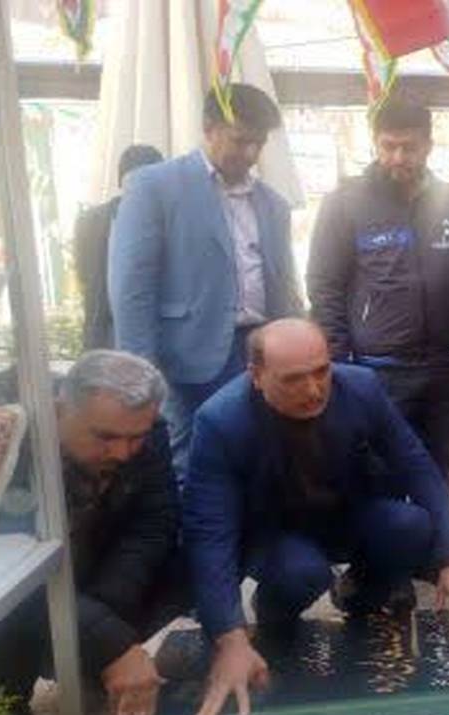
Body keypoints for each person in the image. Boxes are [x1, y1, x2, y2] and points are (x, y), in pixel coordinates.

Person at [184, 319, 449, 715]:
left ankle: (360, 596)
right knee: (301, 573)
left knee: (409, 525)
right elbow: (210, 534)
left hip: (346, 514)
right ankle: (274, 614)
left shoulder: (361, 387)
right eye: (293, 379)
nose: (313, 390)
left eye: (321, 371)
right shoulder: (220, 421)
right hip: (276, 533)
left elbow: (417, 467)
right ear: (256, 376)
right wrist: (229, 636)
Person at [0, 351, 181, 715]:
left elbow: (154, 523)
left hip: (92, 571)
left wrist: (105, 624)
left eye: (136, 437)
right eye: (105, 437)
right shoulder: (4, 446)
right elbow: (2, 568)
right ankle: (4, 702)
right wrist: (111, 643)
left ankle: (90, 663)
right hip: (13, 584)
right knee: (1, 619)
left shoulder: (149, 432)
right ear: (57, 411)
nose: (123, 452)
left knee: (187, 558)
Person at [109, 83, 300, 481]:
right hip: (186, 357)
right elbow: (132, 287)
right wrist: (141, 370)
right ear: (209, 128)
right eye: (240, 141)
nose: (250, 153)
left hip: (259, 351)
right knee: (193, 462)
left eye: (259, 143)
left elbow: (283, 285)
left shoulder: (273, 204)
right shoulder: (154, 187)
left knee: (261, 457)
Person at [307, 100, 449, 483]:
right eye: (388, 146)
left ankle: (435, 525)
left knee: (438, 469)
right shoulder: (344, 203)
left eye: (409, 147)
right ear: (375, 143)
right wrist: (338, 357)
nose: (398, 157)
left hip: (445, 367)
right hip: (378, 368)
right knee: (380, 472)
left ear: (428, 145)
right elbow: (324, 284)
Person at [75, 144, 164, 350]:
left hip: (133, 330)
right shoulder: (91, 221)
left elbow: (83, 274)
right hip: (111, 330)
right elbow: (85, 275)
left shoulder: (89, 220)